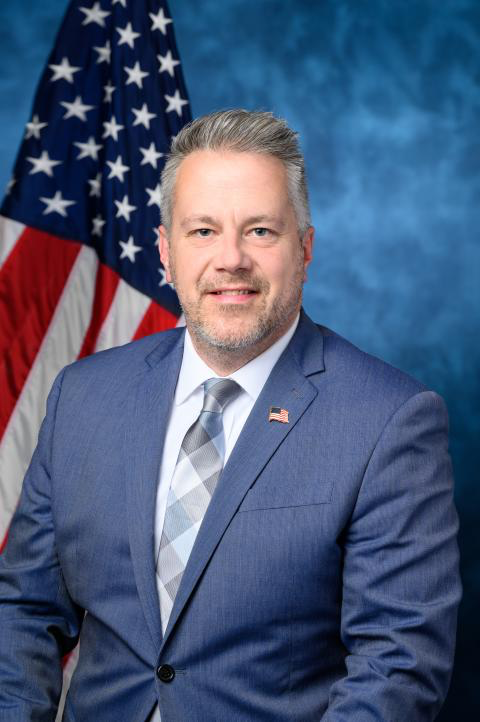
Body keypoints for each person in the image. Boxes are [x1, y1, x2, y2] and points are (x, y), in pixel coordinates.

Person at [0, 109, 461, 721]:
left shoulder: (389, 421)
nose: (231, 260)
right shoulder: (83, 397)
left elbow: (396, 667)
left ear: (305, 248)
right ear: (165, 251)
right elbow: (24, 612)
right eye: (202, 231)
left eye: (261, 231)